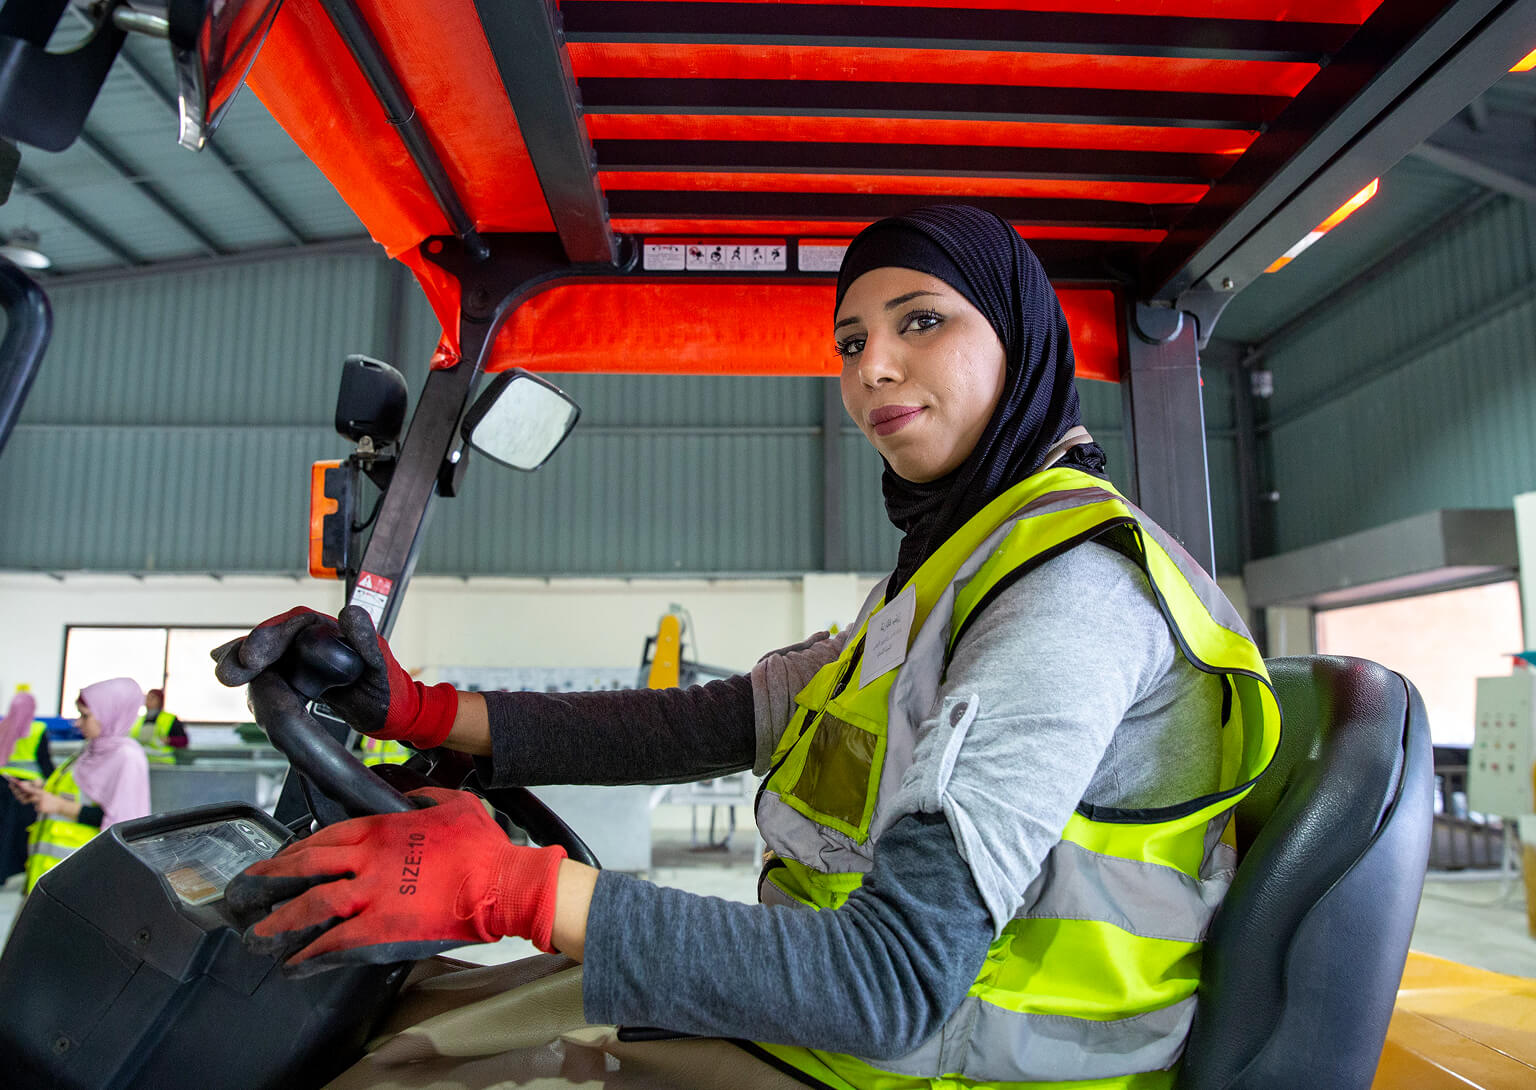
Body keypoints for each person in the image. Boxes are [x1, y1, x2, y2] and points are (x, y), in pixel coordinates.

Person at [213, 205, 1280, 1090]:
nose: (874, 370)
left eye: (920, 321)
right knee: (416, 1024)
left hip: (934, 1064)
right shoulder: (955, 573)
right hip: (845, 1039)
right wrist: (421, 711)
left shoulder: (1065, 602)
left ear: (1019, 336)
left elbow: (894, 977)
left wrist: (515, 890)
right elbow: (708, 721)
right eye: (854, 341)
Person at [7, 677, 151, 894]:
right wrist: (39, 794)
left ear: (109, 714)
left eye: (85, 716)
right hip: (49, 874)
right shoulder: (90, 751)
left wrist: (58, 806)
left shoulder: (126, 757)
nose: (78, 723)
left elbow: (122, 823)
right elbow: (76, 795)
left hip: (81, 879)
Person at [0, 686, 52, 882]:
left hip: (2, 785)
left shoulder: (2, 726)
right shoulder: (37, 729)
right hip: (26, 790)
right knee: (19, 836)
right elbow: (44, 762)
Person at [130, 687, 188, 764]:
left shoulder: (170, 719)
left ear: (160, 701)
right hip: (142, 762)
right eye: (147, 698)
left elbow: (184, 741)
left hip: (163, 762)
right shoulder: (139, 720)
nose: (148, 701)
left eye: (152, 698)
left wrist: (169, 740)